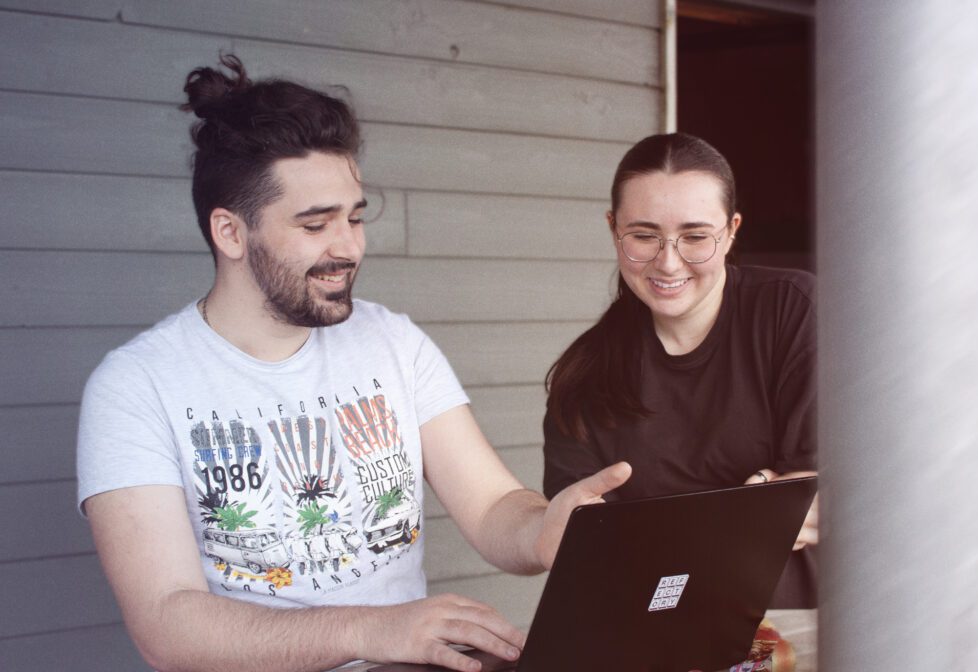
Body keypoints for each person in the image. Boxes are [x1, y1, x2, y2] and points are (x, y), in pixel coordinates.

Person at [76, 54, 630, 672]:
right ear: (230, 233)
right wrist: (372, 629)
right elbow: (166, 623)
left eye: (355, 217)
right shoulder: (136, 386)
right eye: (315, 225)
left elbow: (491, 506)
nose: (349, 247)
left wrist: (544, 529)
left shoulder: (393, 342)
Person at [542, 133, 818, 608]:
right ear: (613, 229)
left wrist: (655, 531)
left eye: (695, 237)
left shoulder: (792, 312)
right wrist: (756, 501)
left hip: (796, 628)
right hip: (650, 632)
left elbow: (821, 499)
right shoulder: (583, 378)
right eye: (644, 236)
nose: (668, 263)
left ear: (731, 230)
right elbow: (587, 549)